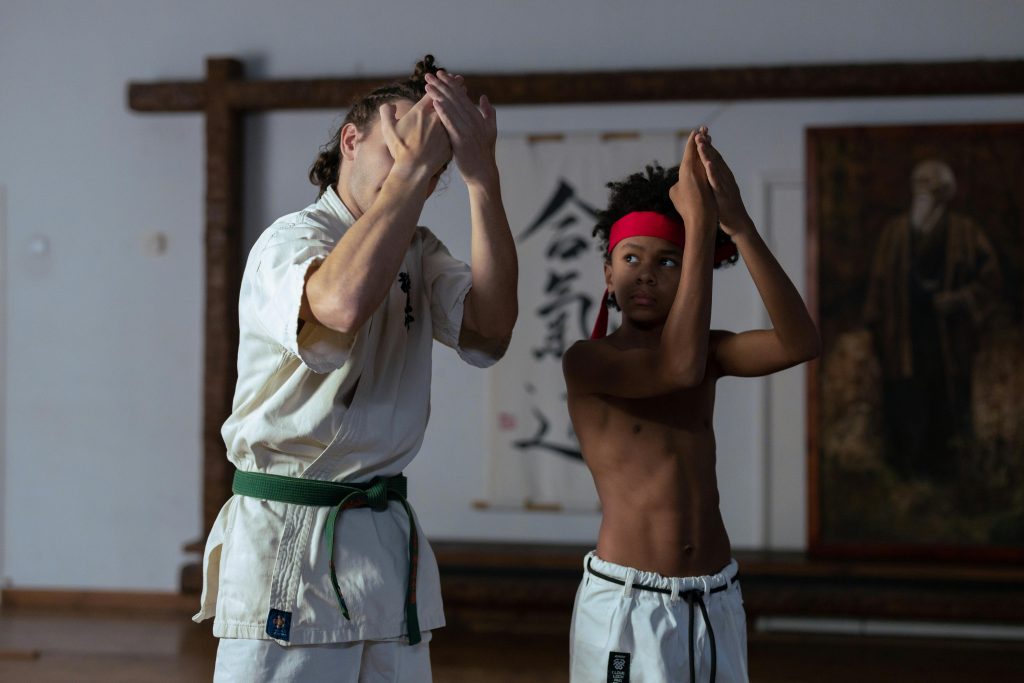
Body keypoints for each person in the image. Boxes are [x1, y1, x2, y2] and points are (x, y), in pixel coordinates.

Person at [192, 55, 518, 682]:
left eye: (433, 153)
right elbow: (339, 306)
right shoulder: (291, 239)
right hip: (292, 537)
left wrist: (482, 179)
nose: (420, 156)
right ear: (351, 139)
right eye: (402, 137)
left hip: (384, 540)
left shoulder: (421, 254)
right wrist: (416, 169)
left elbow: (492, 326)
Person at [562, 128, 819, 683]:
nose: (648, 273)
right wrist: (698, 225)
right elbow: (675, 370)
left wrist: (738, 226)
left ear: (692, 275)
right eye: (631, 258)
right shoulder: (588, 361)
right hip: (629, 604)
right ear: (608, 274)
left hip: (715, 596)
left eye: (669, 262)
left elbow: (801, 342)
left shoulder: (712, 352)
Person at [863, 159, 1002, 480]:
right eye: (920, 185)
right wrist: (874, 330)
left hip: (949, 340)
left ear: (945, 194)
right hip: (903, 338)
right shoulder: (895, 233)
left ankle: (950, 477)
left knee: (948, 404)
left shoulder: (966, 233)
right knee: (905, 403)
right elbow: (878, 287)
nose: (925, 193)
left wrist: (959, 300)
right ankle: (906, 478)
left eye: (932, 187)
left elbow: (991, 281)